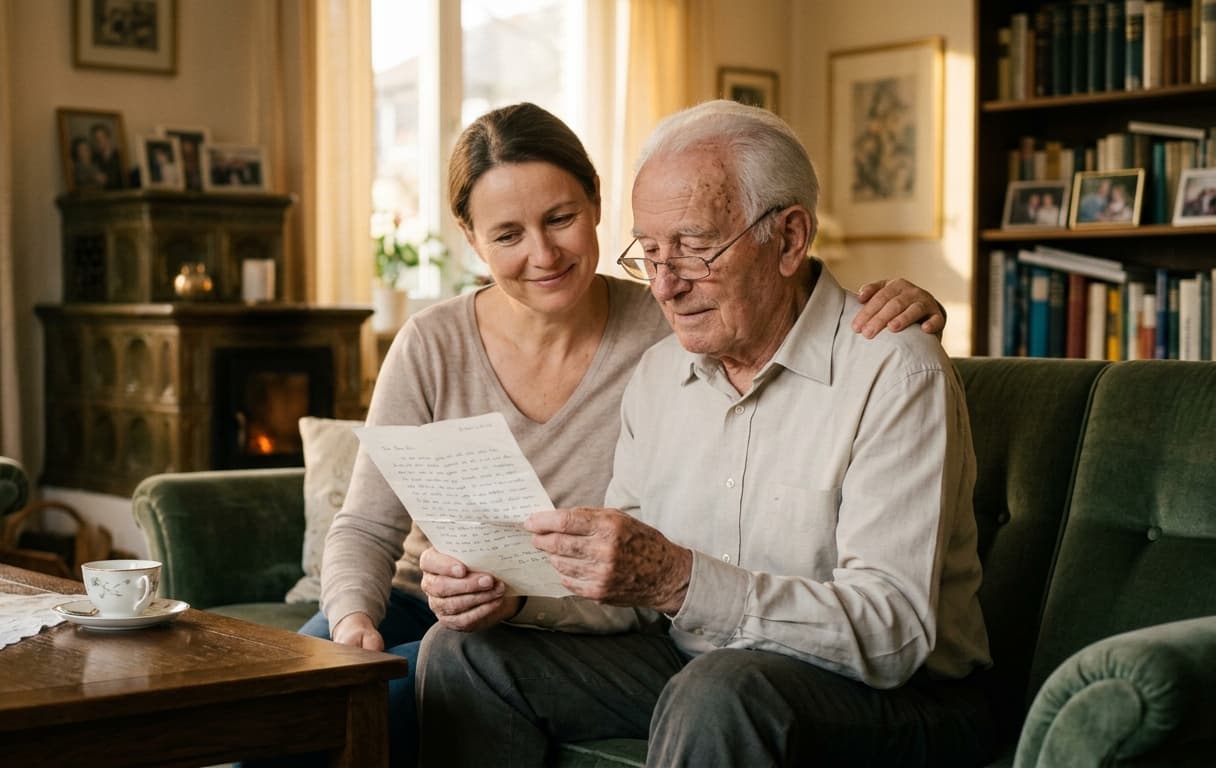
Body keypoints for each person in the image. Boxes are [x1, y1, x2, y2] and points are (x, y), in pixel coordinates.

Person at [308, 103, 950, 768]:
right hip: (649, 643)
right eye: (650, 252)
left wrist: (677, 581)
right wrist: (519, 596)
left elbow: (893, 632)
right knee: (443, 656)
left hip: (874, 685)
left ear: (789, 240)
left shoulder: (887, 367)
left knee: (718, 687)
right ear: (473, 241)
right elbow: (625, 592)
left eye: (695, 247)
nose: (668, 285)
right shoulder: (666, 365)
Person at [90, 123, 124, 189]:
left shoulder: (119, 156)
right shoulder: (95, 158)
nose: (99, 141)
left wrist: (106, 179)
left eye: (101, 138)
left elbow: (118, 180)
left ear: (108, 138)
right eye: (96, 139)